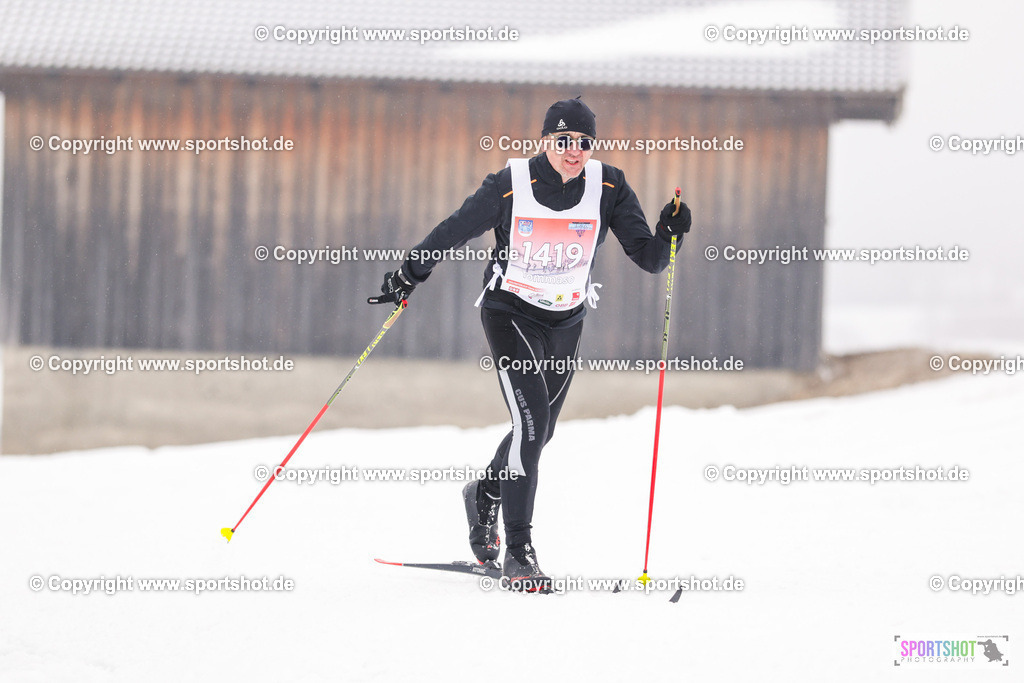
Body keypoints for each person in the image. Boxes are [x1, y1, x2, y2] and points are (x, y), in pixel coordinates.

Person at [368, 96, 691, 592]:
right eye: (563, 141)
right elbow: (454, 229)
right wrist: (409, 273)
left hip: (566, 322)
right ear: (545, 141)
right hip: (511, 314)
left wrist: (670, 233)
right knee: (532, 424)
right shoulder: (511, 184)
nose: (574, 151)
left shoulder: (609, 186)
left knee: (539, 434)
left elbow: (648, 258)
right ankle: (519, 552)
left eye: (584, 142)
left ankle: (484, 494)